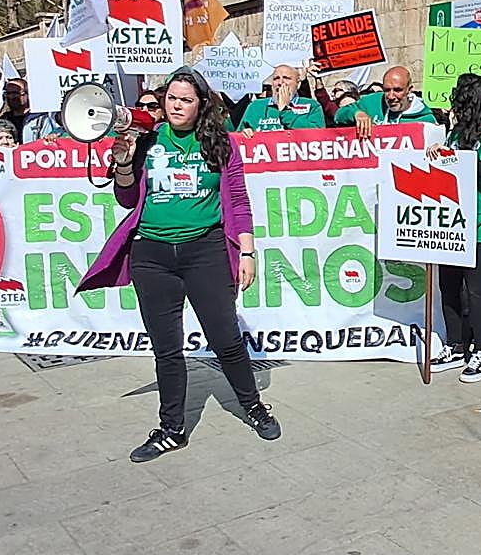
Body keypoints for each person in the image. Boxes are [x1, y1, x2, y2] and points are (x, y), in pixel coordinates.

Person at [78, 66, 280, 462]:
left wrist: (248, 251)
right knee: (166, 348)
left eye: (186, 100)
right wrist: (123, 163)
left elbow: (238, 200)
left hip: (205, 253)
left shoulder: (220, 143)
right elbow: (126, 198)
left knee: (224, 338)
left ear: (201, 104)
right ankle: (171, 429)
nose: (176, 106)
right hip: (152, 256)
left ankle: (253, 406)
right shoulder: (147, 140)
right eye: (171, 98)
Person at [429, 74, 481, 383]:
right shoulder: (456, 132)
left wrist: (457, 157)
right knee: (448, 285)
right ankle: (454, 344)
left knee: (475, 289)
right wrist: (438, 153)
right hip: (453, 219)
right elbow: (447, 166)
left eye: (461, 101)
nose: (456, 107)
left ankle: (480, 351)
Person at [333, 66, 437, 138]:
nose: (391, 96)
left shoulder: (426, 119)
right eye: (387, 90)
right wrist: (356, 113)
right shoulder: (372, 101)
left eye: (397, 90)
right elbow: (338, 116)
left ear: (409, 90)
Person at [239, 65, 324, 132]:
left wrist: (285, 111)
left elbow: (318, 135)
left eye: (286, 78)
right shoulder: (255, 106)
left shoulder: (312, 106)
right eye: (276, 78)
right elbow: (236, 138)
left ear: (298, 84)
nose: (280, 83)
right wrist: (244, 133)